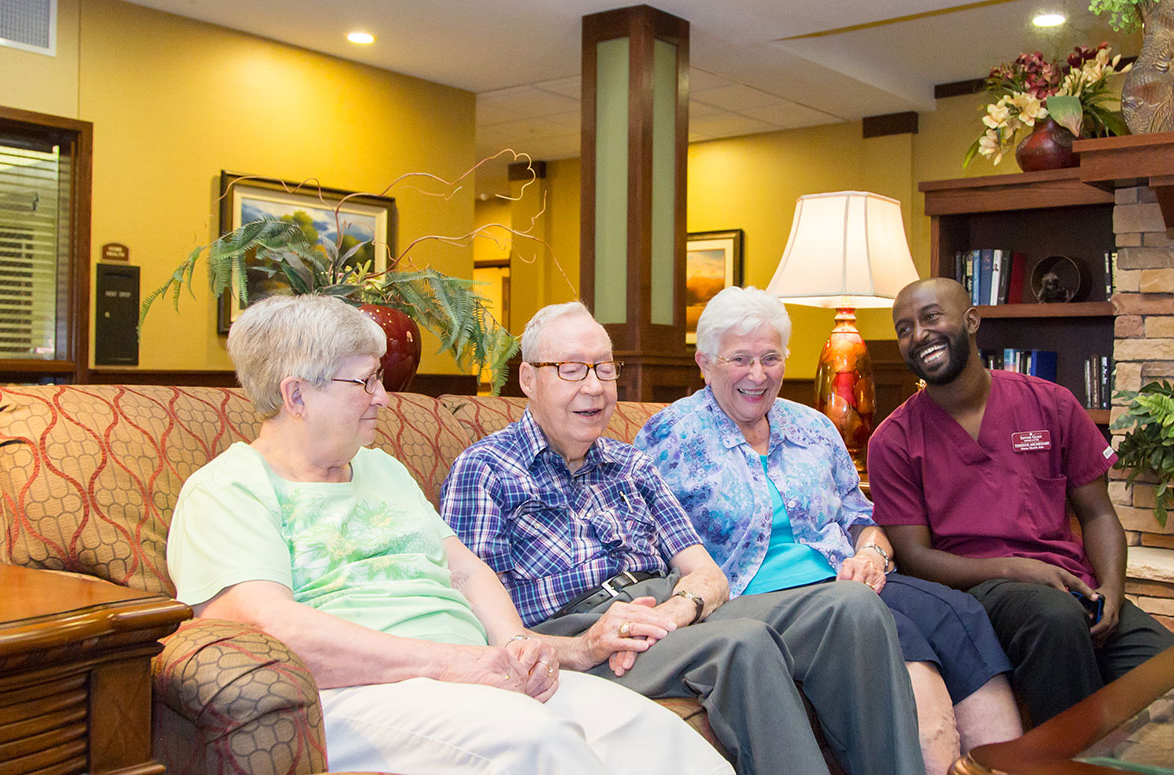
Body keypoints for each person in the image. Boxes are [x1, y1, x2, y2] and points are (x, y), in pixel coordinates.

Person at [166, 294, 732, 775]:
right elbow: (270, 626)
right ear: (296, 396)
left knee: (658, 739)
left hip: (470, 677)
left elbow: (463, 569)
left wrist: (515, 644)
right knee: (536, 742)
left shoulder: (381, 468)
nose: (382, 397)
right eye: (365, 381)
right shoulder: (227, 489)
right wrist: (451, 664)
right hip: (359, 696)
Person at [440, 301, 927, 775]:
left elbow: (707, 573)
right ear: (528, 378)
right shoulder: (486, 470)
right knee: (742, 643)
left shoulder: (630, 465)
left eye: (604, 369)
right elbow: (477, 622)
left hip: (660, 610)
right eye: (571, 369)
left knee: (850, 606)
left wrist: (678, 609)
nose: (593, 387)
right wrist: (585, 644)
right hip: (574, 627)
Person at [635, 286, 1023, 775]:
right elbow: (648, 541)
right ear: (705, 363)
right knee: (897, 634)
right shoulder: (669, 437)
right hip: (753, 599)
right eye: (740, 359)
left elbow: (861, 516)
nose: (758, 375)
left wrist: (872, 555)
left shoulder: (813, 427)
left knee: (958, 614)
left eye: (771, 358)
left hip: (843, 576)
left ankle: (1012, 767)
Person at [871, 277, 1174, 728]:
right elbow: (916, 559)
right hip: (975, 590)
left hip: (1071, 584)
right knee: (1055, 620)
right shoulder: (893, 440)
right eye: (904, 329)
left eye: (931, 317)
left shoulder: (1052, 404)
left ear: (971, 320)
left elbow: (1098, 514)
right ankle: (1069, 758)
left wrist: (1113, 591)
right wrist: (1015, 569)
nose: (918, 335)